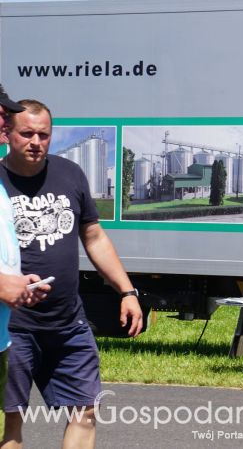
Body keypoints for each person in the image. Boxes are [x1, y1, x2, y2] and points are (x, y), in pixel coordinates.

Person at [0, 99, 144, 449]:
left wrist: (127, 291)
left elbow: (94, 237)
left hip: (68, 323)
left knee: (85, 411)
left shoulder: (69, 174)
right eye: (27, 133)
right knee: (13, 423)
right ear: (8, 133)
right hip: (12, 328)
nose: (36, 141)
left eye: (44, 135)